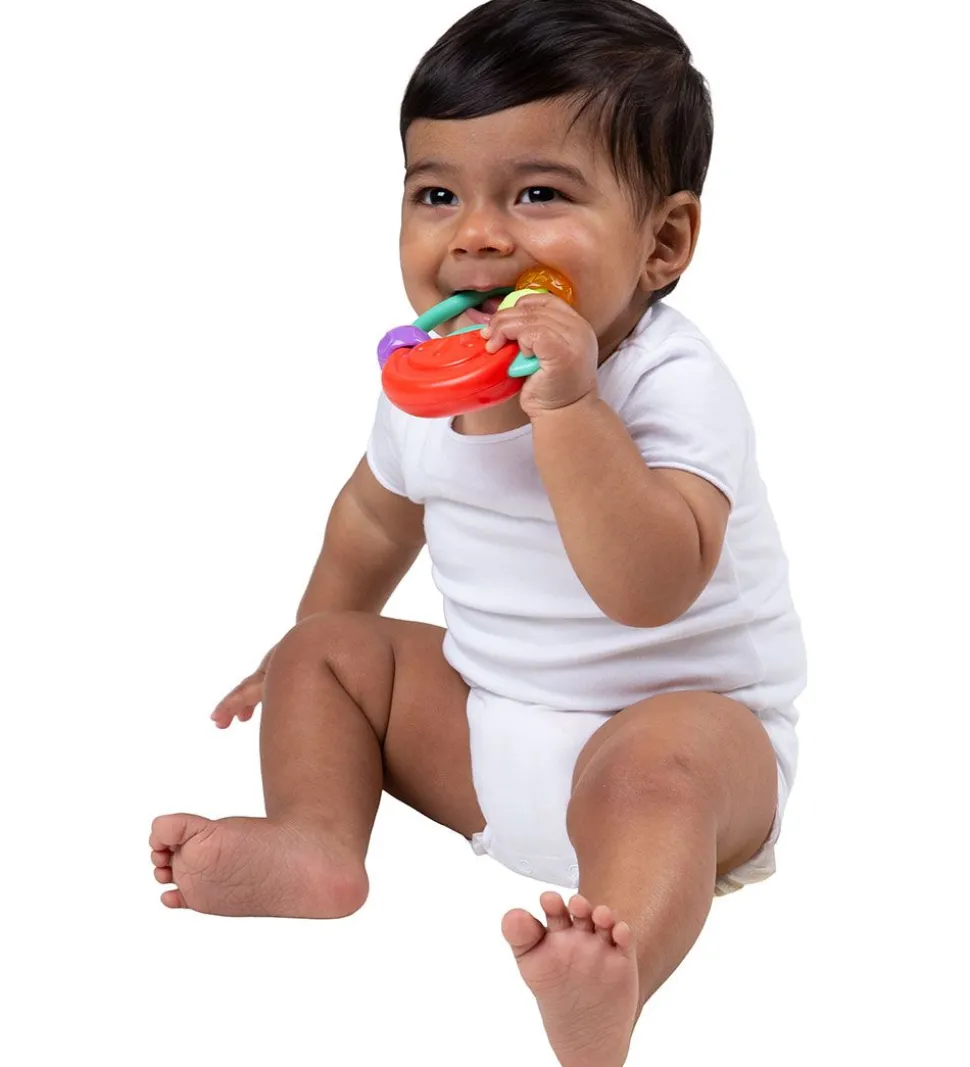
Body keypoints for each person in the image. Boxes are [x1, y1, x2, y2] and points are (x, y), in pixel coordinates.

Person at [149, 2, 807, 1063]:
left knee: (662, 763)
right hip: (485, 729)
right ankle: (318, 840)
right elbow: (371, 520)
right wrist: (303, 664)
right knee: (323, 647)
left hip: (682, 740)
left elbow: (650, 586)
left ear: (662, 242)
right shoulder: (426, 382)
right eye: (437, 193)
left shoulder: (672, 381)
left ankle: (613, 968)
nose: (479, 233)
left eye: (539, 194)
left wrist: (569, 409)